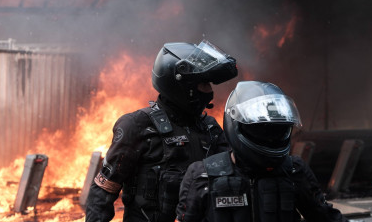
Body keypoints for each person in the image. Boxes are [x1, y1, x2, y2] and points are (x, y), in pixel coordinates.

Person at [85, 40, 238, 222]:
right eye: (203, 84)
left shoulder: (210, 127)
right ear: (182, 86)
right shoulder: (137, 125)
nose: (210, 91)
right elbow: (104, 190)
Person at [176, 81, 348, 222]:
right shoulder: (203, 175)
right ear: (235, 126)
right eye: (263, 130)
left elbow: (327, 218)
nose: (271, 137)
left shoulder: (294, 170)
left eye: (277, 130)